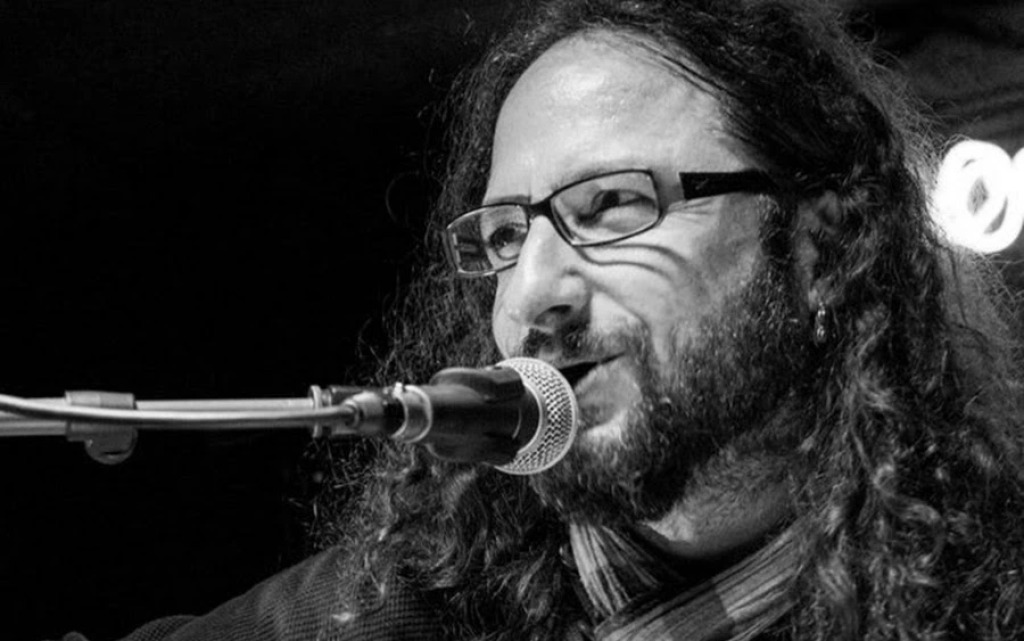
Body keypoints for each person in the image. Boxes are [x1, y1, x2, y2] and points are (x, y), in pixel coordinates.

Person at [63, 0, 1024, 640]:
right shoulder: (404, 601)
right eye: (504, 236)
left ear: (819, 248)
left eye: (611, 205)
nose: (530, 296)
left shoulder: (988, 597)